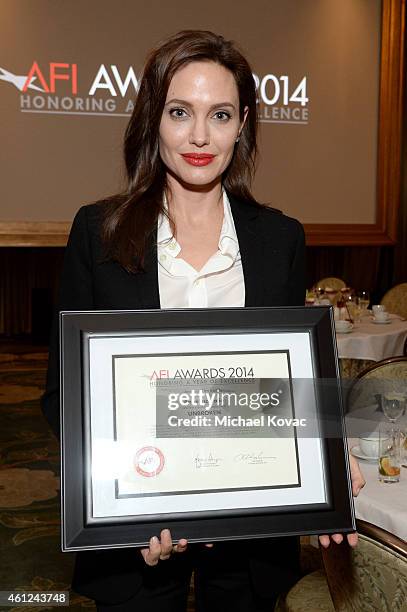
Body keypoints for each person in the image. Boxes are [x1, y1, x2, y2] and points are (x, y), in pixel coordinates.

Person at [42, 30, 365, 612]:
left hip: (251, 524)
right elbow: (61, 393)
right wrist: (117, 498)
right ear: (152, 121)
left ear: (242, 124)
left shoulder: (278, 239)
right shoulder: (99, 233)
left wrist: (328, 459)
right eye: (179, 112)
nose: (198, 136)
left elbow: (286, 385)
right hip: (137, 532)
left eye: (219, 114)